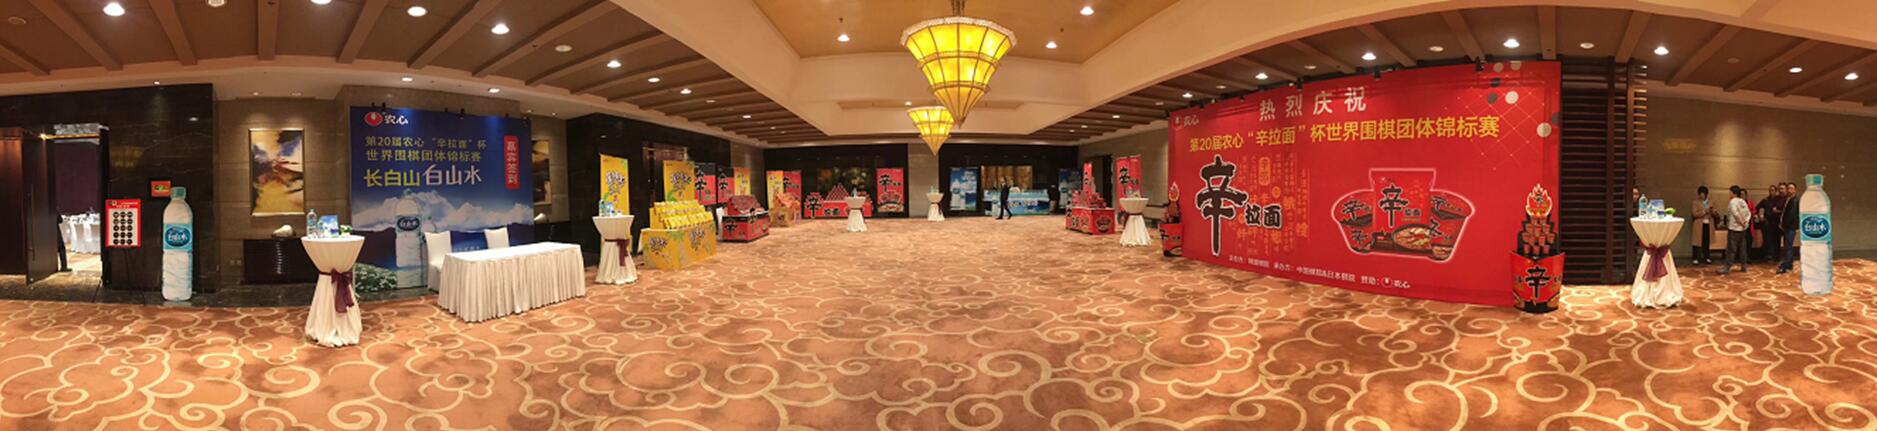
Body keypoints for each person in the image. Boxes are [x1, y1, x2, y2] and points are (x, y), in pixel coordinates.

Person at [1723, 185, 1751, 274]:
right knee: (1742, 248)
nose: (1729, 194)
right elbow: (1748, 213)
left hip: (1734, 228)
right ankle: (1744, 266)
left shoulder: (1733, 202)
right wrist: (1745, 222)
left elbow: (1735, 213)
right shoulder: (1743, 201)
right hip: (1742, 229)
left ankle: (1727, 267)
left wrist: (1740, 221)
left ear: (1733, 193)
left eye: (1730, 192)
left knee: (1731, 249)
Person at [1756, 184, 1786, 264]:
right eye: (1770, 190)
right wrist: (1760, 216)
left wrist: (1777, 211)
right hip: (1768, 223)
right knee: (1768, 240)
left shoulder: (1779, 200)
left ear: (1776, 191)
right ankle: (1768, 256)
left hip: (1777, 223)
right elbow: (1757, 208)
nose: (1771, 192)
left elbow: (1783, 210)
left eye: (1773, 190)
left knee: (1777, 241)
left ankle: (1776, 256)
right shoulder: (1765, 200)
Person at [1780, 182, 1802, 274]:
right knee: (1787, 246)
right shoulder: (1789, 199)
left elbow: (1791, 215)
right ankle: (1788, 263)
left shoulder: (1794, 201)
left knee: (1788, 246)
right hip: (1788, 227)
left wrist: (1784, 225)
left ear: (1795, 190)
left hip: (1790, 227)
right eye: (1788, 188)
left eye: (1791, 188)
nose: (1789, 190)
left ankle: (1788, 265)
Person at [1691, 186, 1714, 266]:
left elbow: (1714, 213)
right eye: (1700, 194)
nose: (1702, 196)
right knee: (1696, 242)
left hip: (1708, 224)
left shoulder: (1711, 202)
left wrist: (1713, 211)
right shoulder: (1695, 202)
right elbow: (1694, 214)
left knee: (1706, 241)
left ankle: (1707, 257)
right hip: (1699, 224)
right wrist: (1704, 211)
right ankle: (1695, 258)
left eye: (1703, 194)